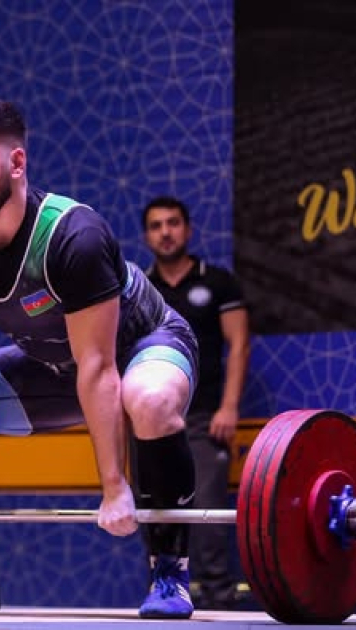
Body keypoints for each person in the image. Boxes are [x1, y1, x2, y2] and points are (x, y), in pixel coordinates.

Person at [0, 96, 201, 619]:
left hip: (143, 347)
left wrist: (114, 485)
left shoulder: (73, 235)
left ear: (16, 163)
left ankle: (169, 572)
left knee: (146, 400)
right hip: (56, 365)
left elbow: (99, 367)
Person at [141, 195, 251, 610]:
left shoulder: (218, 282)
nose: (165, 232)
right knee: (155, 514)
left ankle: (219, 603)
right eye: (156, 226)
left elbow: (239, 344)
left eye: (173, 223)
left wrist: (229, 406)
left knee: (207, 518)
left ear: (187, 230)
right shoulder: (140, 289)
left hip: (204, 417)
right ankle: (164, 599)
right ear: (147, 236)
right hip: (149, 422)